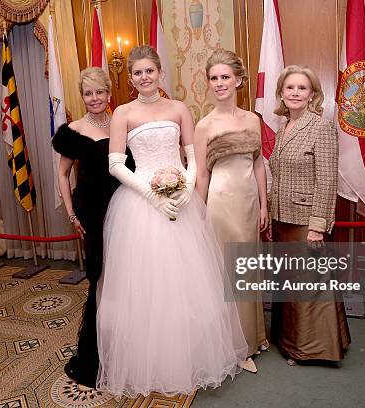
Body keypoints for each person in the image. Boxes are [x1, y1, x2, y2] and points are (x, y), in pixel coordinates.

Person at [97, 45, 248, 397]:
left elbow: (193, 154)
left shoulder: (179, 108)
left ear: (160, 72)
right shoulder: (122, 113)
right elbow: (115, 164)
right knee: (147, 285)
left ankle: (192, 355)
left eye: (150, 70)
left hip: (181, 201)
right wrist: (151, 194)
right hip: (139, 204)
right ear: (131, 78)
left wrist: (185, 188)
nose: (144, 77)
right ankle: (152, 359)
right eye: (137, 73)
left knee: (189, 282)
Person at [52, 67, 133, 387]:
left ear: (109, 93)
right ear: (81, 96)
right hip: (91, 211)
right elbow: (62, 175)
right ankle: (101, 350)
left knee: (127, 274)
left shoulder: (122, 122)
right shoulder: (72, 131)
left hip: (125, 207)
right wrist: (72, 215)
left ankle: (131, 344)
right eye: (88, 93)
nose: (95, 98)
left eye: (100, 92)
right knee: (100, 275)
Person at [267, 65, 350, 364]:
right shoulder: (282, 128)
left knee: (308, 283)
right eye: (290, 88)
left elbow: (327, 179)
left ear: (312, 94)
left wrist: (318, 226)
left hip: (305, 221)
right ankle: (290, 339)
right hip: (282, 217)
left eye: (302, 88)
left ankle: (308, 348)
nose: (295, 93)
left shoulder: (321, 127)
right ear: (281, 93)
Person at [194, 49, 269, 373]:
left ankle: (252, 338)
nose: (220, 83)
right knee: (228, 273)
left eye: (225, 77)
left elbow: (259, 164)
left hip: (250, 203)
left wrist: (264, 204)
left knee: (249, 270)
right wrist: (199, 212)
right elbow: (201, 174)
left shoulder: (253, 119)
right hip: (222, 204)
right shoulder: (204, 125)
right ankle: (235, 347)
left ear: (238, 79)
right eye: (214, 78)